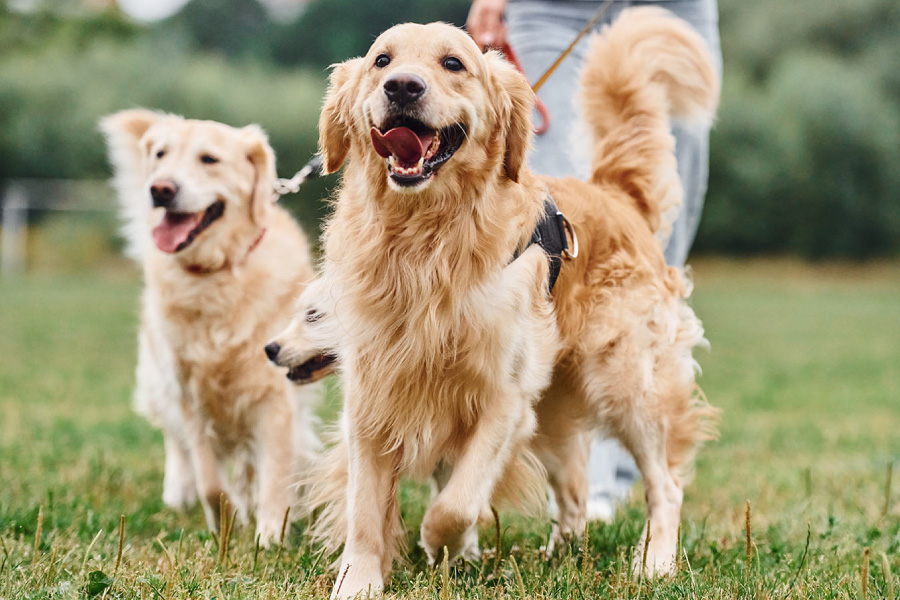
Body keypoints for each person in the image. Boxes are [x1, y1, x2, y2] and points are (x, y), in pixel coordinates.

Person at [467, 0, 722, 521]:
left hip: (679, 6)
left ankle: (637, 449)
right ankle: (588, 487)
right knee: (559, 222)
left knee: (647, 240)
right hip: (552, 8)